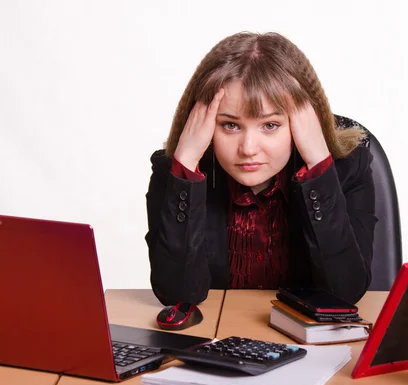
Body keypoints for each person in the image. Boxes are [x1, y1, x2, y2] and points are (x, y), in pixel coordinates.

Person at [145, 31, 377, 308]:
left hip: (308, 343)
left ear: (302, 121)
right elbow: (176, 296)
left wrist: (318, 166)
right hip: (217, 340)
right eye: (230, 125)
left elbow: (344, 294)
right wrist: (185, 167)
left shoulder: (347, 167)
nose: (248, 148)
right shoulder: (175, 174)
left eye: (270, 125)